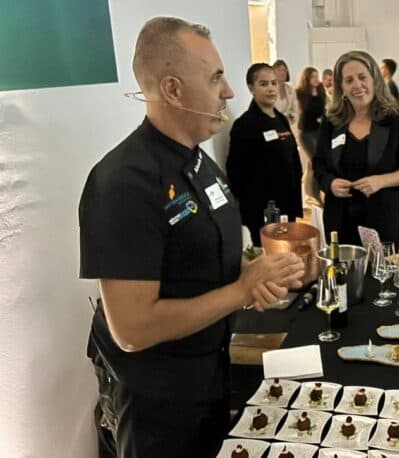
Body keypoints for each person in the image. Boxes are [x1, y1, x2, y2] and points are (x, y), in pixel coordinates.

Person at [79, 18, 304, 457]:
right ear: (172, 89)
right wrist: (241, 289)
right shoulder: (123, 181)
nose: (229, 92)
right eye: (216, 77)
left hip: (212, 374)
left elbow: (202, 256)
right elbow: (132, 329)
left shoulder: (200, 163)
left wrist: (253, 274)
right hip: (159, 403)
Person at [313, 50, 399, 247]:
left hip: (383, 220)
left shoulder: (397, 119)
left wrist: (381, 181)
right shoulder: (332, 122)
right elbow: (319, 164)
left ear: (374, 80)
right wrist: (330, 183)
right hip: (341, 221)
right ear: (341, 87)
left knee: (381, 276)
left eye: (362, 77)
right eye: (349, 80)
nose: (357, 85)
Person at [226, 63, 303, 243]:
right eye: (264, 84)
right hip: (261, 211)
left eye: (274, 83)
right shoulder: (245, 125)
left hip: (287, 204)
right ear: (251, 88)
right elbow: (236, 173)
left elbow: (292, 158)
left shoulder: (281, 119)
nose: (271, 89)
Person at [295, 66, 327, 161]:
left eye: (317, 76)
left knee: (320, 160)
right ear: (307, 78)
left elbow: (325, 108)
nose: (316, 79)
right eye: (313, 77)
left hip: (319, 130)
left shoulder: (321, 92)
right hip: (307, 132)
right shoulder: (300, 93)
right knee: (316, 159)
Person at [272, 59, 298, 126]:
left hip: (288, 124)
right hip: (273, 124)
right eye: (279, 70)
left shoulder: (290, 89)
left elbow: (295, 109)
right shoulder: (270, 89)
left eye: (284, 70)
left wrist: (291, 116)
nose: (282, 73)